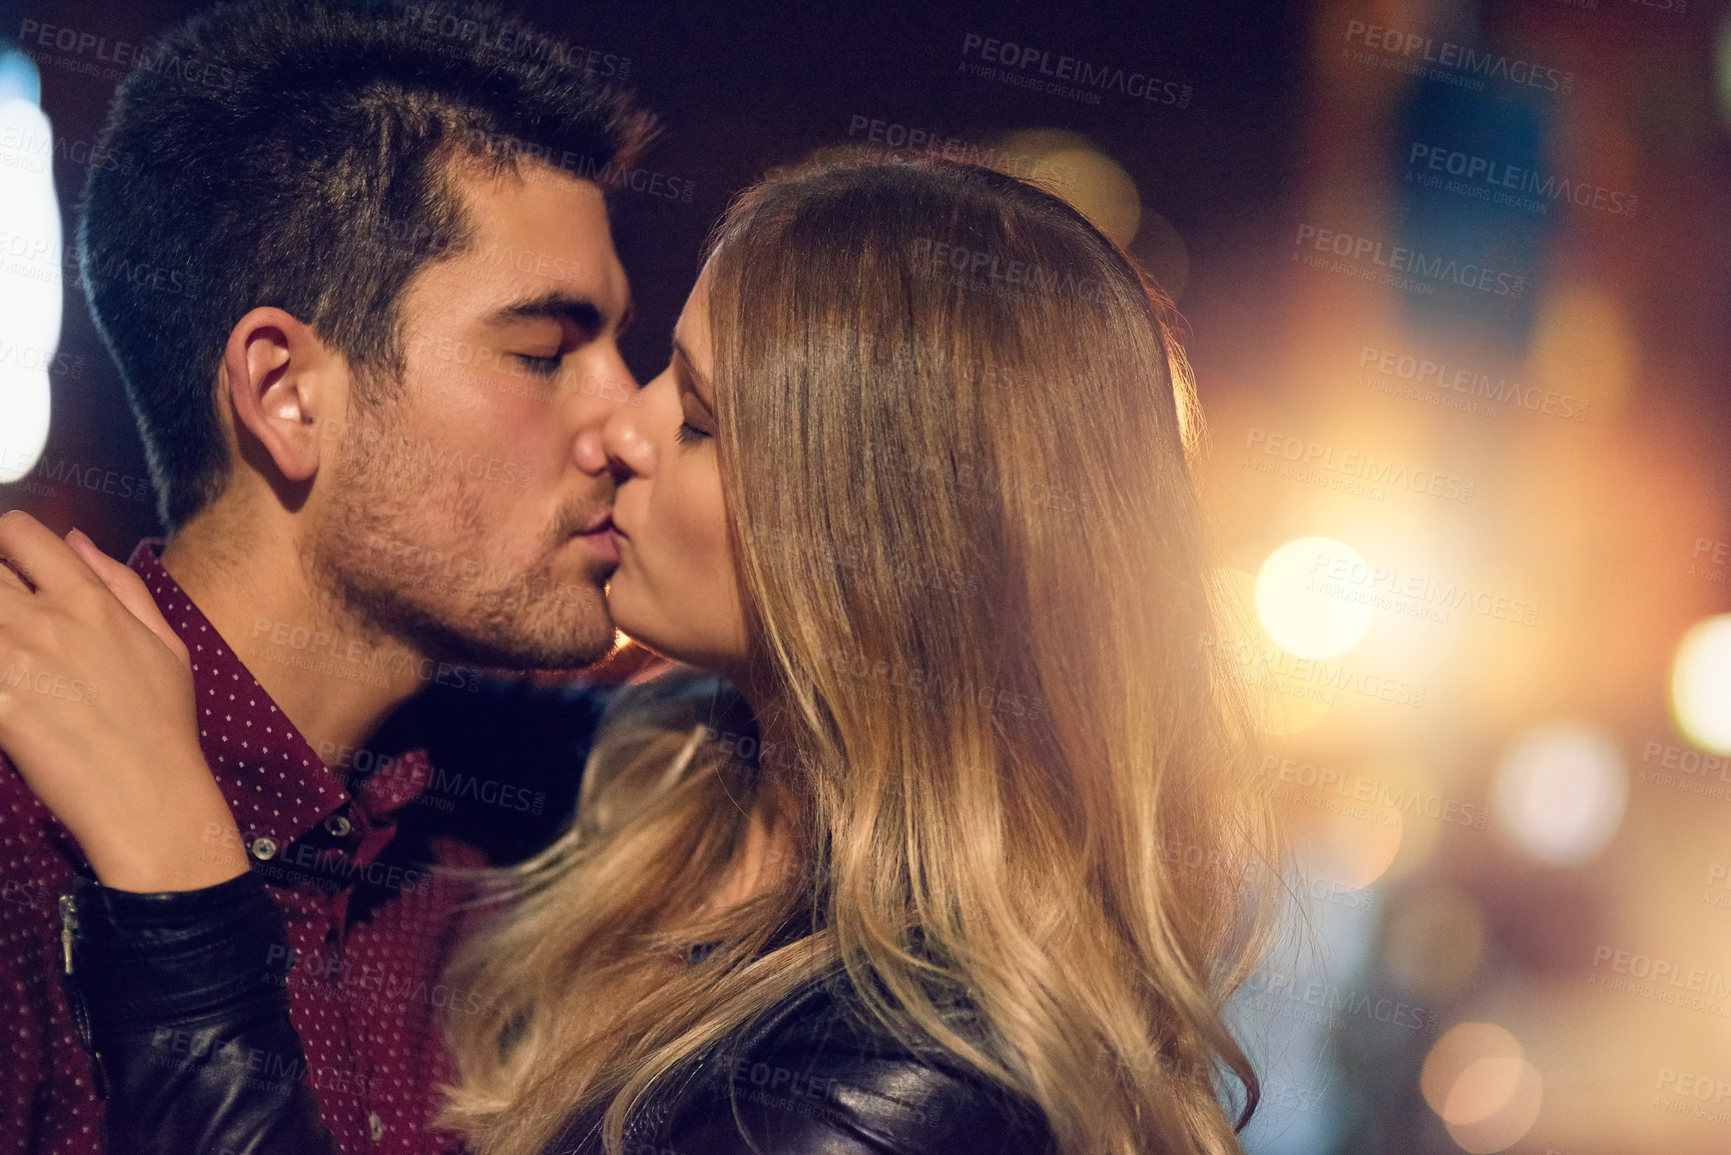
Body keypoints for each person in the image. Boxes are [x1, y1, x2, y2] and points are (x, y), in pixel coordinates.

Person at [0, 151, 1283, 1154]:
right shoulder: (653, 777)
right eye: (552, 352)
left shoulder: (909, 1087)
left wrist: (175, 884)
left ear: (887, 541)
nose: (623, 427)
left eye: (703, 418)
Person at [0, 1, 666, 1150]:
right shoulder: (24, 838)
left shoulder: (498, 837)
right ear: (287, 393)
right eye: (546, 354)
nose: (628, 421)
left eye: (616, 347)